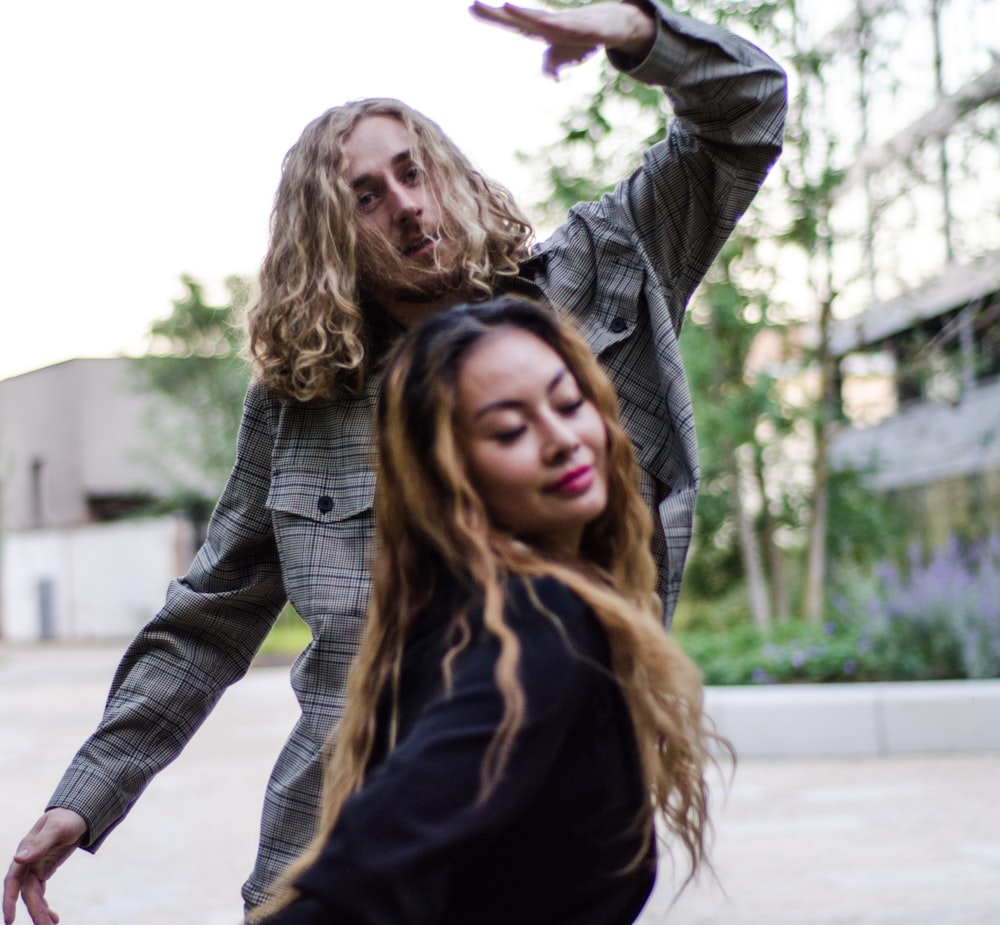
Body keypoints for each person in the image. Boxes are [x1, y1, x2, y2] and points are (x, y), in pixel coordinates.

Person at [4, 2, 786, 922]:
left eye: (412, 172)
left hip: (553, 838)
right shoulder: (301, 402)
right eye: (365, 196)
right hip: (342, 842)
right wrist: (87, 793)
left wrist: (637, 32)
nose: (407, 205)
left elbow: (747, 113)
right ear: (328, 237)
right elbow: (213, 611)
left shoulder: (600, 273)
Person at [250, 296, 721, 925]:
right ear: (451, 478)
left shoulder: (463, 619)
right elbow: (360, 880)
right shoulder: (537, 623)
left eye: (568, 402)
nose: (561, 441)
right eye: (508, 430)